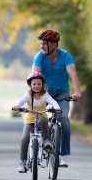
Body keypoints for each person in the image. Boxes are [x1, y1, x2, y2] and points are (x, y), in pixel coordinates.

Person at [33, 30, 81, 167]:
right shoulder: (39, 57)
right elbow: (35, 75)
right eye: (41, 44)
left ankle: (64, 155)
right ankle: (41, 143)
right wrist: (33, 93)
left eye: (44, 44)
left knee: (64, 118)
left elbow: (73, 74)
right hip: (44, 93)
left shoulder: (65, 56)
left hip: (61, 93)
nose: (41, 46)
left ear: (54, 44)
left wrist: (77, 91)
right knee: (38, 116)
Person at [12, 71, 61, 173]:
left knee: (44, 119)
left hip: (41, 120)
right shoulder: (28, 95)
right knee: (25, 138)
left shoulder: (45, 95)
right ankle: (23, 162)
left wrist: (57, 108)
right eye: (34, 84)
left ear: (42, 85)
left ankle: (47, 141)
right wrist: (17, 106)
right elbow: (21, 101)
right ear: (30, 85)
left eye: (39, 84)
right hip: (30, 121)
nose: (37, 86)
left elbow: (52, 101)